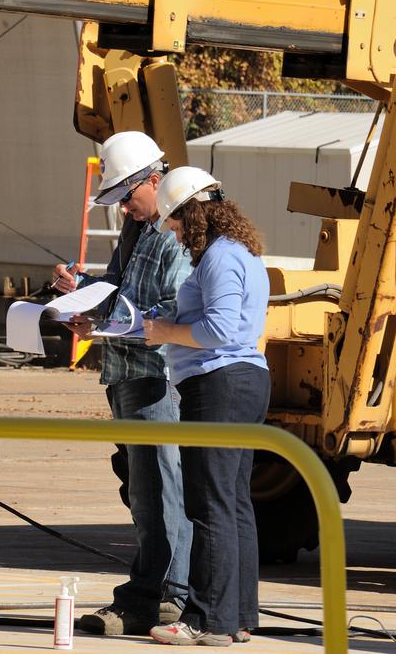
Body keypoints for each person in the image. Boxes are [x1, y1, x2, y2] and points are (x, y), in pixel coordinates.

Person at [50, 131, 193, 637]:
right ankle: (158, 591)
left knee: (160, 489)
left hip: (156, 377)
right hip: (126, 374)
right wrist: (81, 293)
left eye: (128, 198)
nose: (125, 210)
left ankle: (166, 596)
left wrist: (107, 320)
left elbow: (174, 310)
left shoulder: (177, 232)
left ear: (155, 181)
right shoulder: (137, 232)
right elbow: (121, 296)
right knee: (143, 491)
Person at [142, 167, 270, 647]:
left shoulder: (217, 258)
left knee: (209, 502)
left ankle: (205, 619)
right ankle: (235, 615)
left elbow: (219, 331)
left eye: (174, 222)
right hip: (245, 382)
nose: (173, 232)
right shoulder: (243, 255)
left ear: (192, 213)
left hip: (218, 384)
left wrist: (162, 333)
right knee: (234, 502)